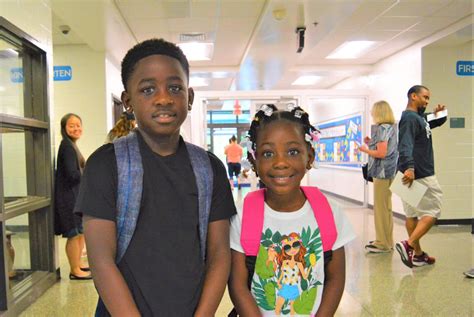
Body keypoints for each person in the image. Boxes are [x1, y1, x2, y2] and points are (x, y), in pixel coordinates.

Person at [74, 38, 236, 316]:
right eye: (148, 89)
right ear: (128, 101)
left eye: (175, 88)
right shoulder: (105, 165)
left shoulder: (210, 168)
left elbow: (220, 255)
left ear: (190, 97)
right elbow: (101, 261)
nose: (163, 98)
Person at [228, 104, 356, 316]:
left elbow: (335, 278)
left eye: (293, 151)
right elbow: (237, 285)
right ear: (254, 161)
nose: (280, 163)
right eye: (268, 153)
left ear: (310, 156)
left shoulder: (329, 213)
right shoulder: (242, 217)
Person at [395, 85, 447, 268]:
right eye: (424, 97)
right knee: (433, 212)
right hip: (419, 173)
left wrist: (441, 114)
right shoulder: (410, 119)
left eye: (428, 99)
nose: (426, 101)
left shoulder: (418, 118)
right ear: (413, 96)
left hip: (407, 174)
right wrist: (410, 167)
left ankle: (417, 255)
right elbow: (405, 144)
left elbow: (432, 123)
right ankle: (408, 245)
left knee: (412, 215)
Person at [54, 113, 91, 280]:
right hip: (68, 199)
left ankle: (79, 264)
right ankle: (74, 269)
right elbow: (72, 175)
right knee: (73, 234)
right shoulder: (67, 147)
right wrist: (89, 171)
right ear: (64, 129)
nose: (76, 128)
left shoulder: (72, 145)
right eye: (71, 125)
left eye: (78, 125)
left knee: (81, 232)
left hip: (76, 197)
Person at [358, 101, 398, 253]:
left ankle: (381, 243)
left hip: (381, 173)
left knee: (380, 209)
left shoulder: (381, 128)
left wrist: (365, 150)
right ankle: (388, 241)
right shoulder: (393, 128)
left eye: (373, 111)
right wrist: (371, 143)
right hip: (390, 171)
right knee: (387, 207)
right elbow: (386, 149)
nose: (371, 114)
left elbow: (381, 154)